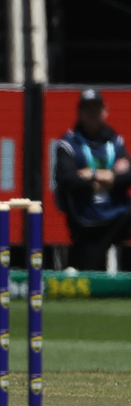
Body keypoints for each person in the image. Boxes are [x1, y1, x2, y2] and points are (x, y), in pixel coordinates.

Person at [54, 89, 131, 272]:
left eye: (96, 108)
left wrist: (94, 174)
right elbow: (69, 180)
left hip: (117, 212)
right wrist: (111, 177)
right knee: (87, 268)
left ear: (105, 111)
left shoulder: (115, 141)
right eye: (87, 109)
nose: (92, 114)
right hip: (86, 217)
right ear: (80, 112)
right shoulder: (68, 144)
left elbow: (127, 177)